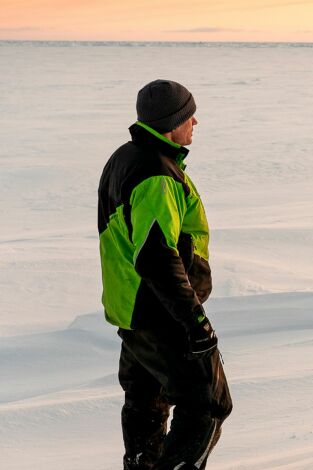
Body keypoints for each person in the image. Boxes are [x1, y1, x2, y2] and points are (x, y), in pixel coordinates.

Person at [98, 79, 232, 470]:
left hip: (135, 311)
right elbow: (156, 256)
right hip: (162, 314)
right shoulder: (157, 173)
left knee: (146, 402)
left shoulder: (126, 157)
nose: (195, 123)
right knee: (208, 405)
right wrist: (194, 321)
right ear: (173, 122)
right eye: (189, 116)